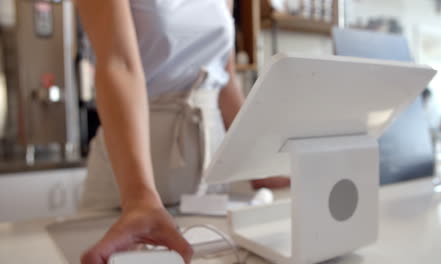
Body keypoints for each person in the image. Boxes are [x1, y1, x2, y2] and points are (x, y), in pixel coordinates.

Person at [76, 1, 290, 263]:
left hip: (207, 187)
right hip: (131, 186)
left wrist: (257, 166)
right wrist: (138, 199)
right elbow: (118, 64)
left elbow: (224, 77)